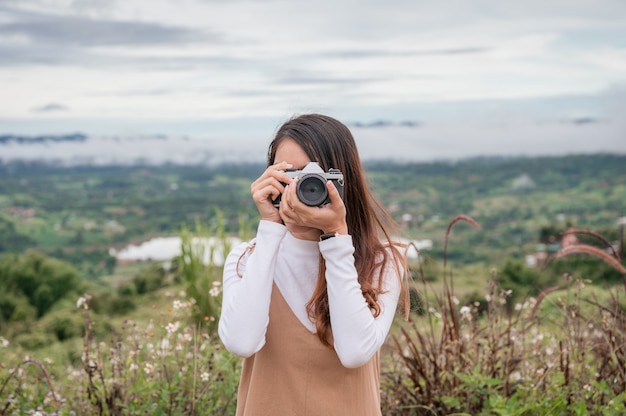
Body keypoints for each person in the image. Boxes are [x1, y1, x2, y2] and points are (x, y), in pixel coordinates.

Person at [218, 113, 408, 416]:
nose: (299, 191)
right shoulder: (248, 259)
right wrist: (270, 228)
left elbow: (354, 352)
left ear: (343, 182)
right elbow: (241, 341)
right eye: (288, 176)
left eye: (313, 179)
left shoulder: (382, 261)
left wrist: (335, 236)